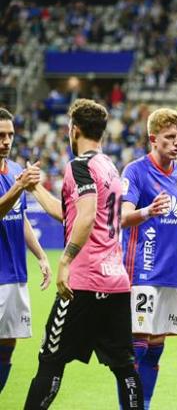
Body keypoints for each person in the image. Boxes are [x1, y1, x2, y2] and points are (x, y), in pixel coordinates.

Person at [24, 99, 144, 409]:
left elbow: (87, 216)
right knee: (125, 368)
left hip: (83, 283)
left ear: (73, 130)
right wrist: (35, 188)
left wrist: (64, 260)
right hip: (116, 282)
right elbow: (71, 216)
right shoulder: (109, 168)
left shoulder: (79, 166)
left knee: (50, 360)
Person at [120, 108, 177, 410]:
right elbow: (121, 217)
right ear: (153, 139)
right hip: (140, 271)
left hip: (170, 273)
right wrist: (146, 211)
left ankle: (144, 403)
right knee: (138, 347)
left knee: (157, 348)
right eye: (170, 137)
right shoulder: (135, 171)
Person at [0, 108, 51, 394]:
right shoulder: (18, 179)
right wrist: (19, 187)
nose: (6, 141)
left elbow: (20, 219)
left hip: (16, 276)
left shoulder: (17, 170)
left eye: (10, 135)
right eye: (0, 135)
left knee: (8, 346)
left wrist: (41, 256)